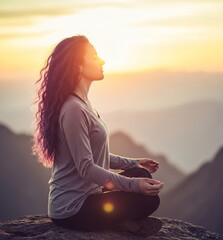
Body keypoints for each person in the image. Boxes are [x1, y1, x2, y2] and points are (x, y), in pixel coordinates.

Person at [33, 35, 164, 237]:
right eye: (94, 57)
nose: (102, 61)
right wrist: (134, 186)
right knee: (148, 199)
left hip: (90, 195)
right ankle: (116, 223)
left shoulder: (83, 104)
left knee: (142, 175)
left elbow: (96, 156)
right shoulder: (74, 109)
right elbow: (86, 167)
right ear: (78, 66)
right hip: (72, 208)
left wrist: (135, 163)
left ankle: (115, 220)